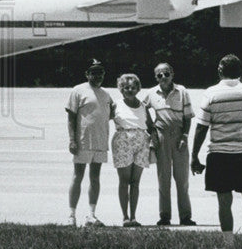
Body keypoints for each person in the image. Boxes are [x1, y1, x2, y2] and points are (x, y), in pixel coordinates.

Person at [191, 54, 242, 249]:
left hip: (219, 153)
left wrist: (194, 156)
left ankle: (229, 245)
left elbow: (202, 127)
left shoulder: (211, 93)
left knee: (224, 202)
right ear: (240, 71)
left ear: (220, 70)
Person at [144, 62, 196, 226]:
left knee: (182, 179)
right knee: (163, 178)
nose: (163, 78)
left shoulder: (182, 91)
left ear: (172, 74)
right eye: (159, 75)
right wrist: (151, 129)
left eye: (166, 74)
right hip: (161, 137)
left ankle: (185, 216)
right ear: (156, 77)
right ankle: (165, 215)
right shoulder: (152, 93)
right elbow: (142, 108)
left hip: (179, 135)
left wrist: (185, 136)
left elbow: (187, 117)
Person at [65, 59, 116, 227]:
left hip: (100, 142)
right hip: (83, 141)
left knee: (95, 178)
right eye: (93, 72)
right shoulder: (78, 90)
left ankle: (91, 215)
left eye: (100, 72)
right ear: (87, 74)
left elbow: (109, 115)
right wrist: (72, 140)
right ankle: (71, 215)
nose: (98, 75)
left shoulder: (106, 94)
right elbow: (71, 117)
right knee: (78, 176)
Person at [111, 73, 157, 226]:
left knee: (135, 182)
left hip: (142, 142)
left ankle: (134, 217)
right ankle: (125, 217)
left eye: (133, 87)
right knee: (124, 181)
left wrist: (155, 143)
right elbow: (103, 119)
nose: (129, 90)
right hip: (123, 140)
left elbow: (150, 126)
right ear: (121, 89)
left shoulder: (143, 106)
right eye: (126, 87)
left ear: (138, 88)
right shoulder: (116, 105)